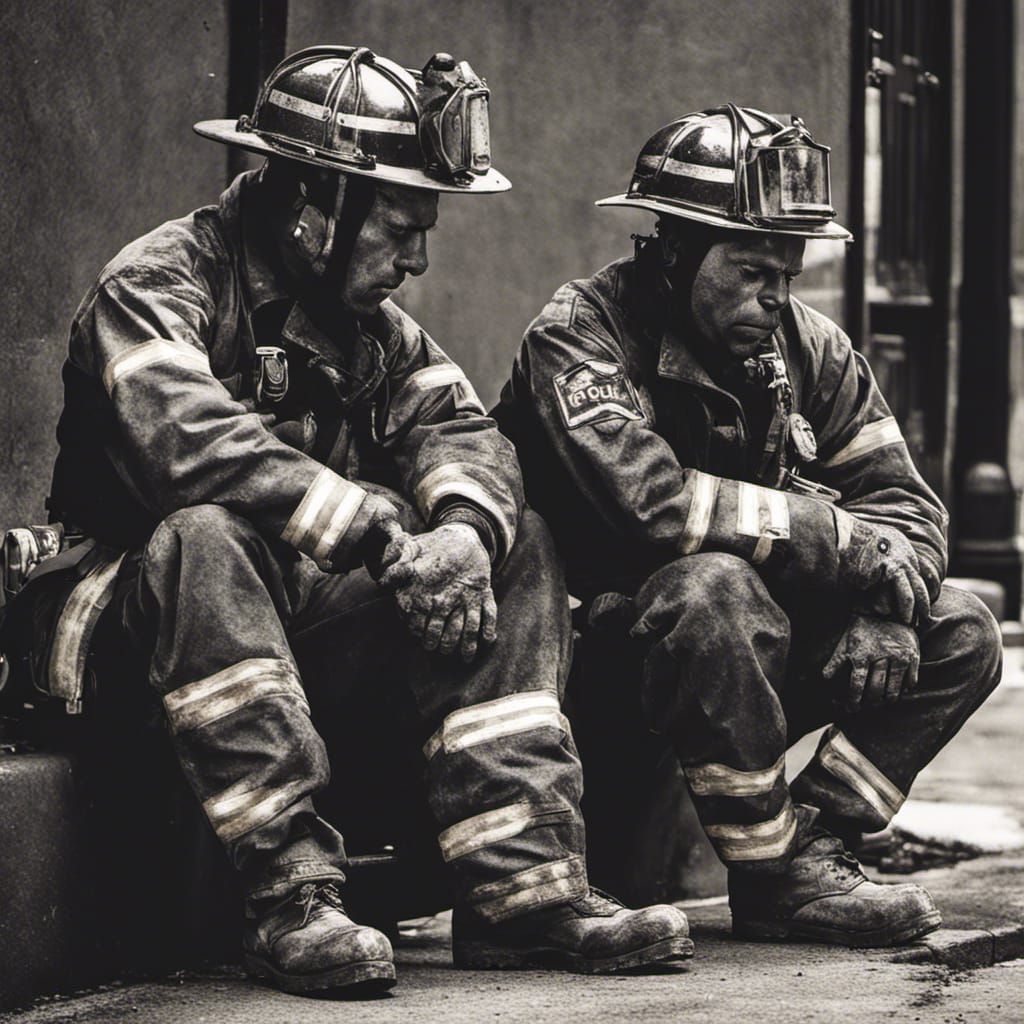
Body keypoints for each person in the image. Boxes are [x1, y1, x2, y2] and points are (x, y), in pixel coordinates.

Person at [14, 46, 692, 995]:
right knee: (204, 535)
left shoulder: (368, 327)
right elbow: (188, 444)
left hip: (278, 633)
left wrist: (458, 532)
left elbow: (461, 429)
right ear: (315, 207)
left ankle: (522, 896)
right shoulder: (158, 282)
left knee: (516, 543)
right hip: (131, 621)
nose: (417, 259)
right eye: (401, 228)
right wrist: (381, 537)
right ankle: (291, 897)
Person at [493, 104, 1003, 948]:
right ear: (674, 253)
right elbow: (654, 505)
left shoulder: (814, 350)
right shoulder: (578, 336)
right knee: (714, 588)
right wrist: (843, 543)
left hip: (742, 656)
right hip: (600, 670)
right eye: (752, 270)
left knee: (962, 629)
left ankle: (813, 850)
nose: (775, 297)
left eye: (788, 274)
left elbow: (903, 505)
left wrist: (887, 607)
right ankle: (770, 867)